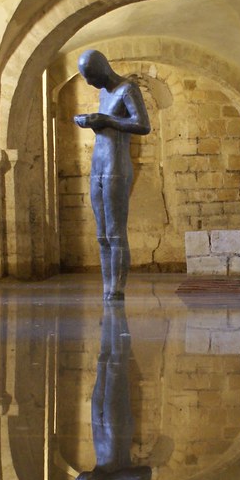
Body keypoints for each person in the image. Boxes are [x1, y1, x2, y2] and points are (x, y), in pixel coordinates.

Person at [74, 49, 151, 301]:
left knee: (115, 232)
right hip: (98, 163)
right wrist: (94, 121)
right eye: (86, 77)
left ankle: (116, 289)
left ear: (104, 69)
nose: (89, 82)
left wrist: (106, 120)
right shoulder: (104, 93)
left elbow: (143, 125)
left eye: (91, 76)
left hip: (116, 165)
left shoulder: (127, 89)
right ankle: (107, 285)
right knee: (102, 234)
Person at [75, 303, 152, 480]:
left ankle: (109, 302)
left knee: (104, 360)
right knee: (117, 363)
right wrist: (107, 479)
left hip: (100, 435)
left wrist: (90, 478)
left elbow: (101, 475)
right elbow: (143, 475)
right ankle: (117, 303)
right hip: (116, 432)